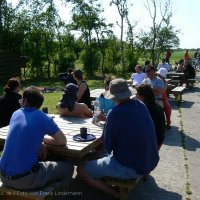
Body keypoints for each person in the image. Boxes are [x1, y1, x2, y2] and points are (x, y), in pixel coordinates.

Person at [77, 79, 159, 198]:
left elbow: (108, 147)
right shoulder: (141, 105)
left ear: (112, 97)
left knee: (82, 169)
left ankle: (115, 194)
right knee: (99, 157)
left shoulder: (114, 113)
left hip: (131, 167)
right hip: (151, 159)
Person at [0, 86, 74, 190]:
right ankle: (61, 195)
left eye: (21, 100)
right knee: (68, 167)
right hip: (24, 179)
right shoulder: (43, 117)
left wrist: (39, 141)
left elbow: (23, 135)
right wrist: (41, 140)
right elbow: (62, 141)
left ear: (25, 101)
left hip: (3, 176)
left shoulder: (16, 114)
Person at [136, 84, 166, 149]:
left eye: (137, 93)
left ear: (142, 96)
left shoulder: (145, 110)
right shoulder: (157, 106)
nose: (136, 96)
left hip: (153, 142)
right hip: (160, 139)